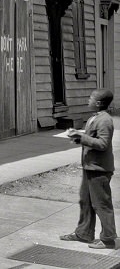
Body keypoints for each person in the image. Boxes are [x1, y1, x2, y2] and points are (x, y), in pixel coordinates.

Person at [60, 89, 116, 249]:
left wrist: (82, 137)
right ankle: (84, 234)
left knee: (101, 204)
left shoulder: (104, 120)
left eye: (91, 98)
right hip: (90, 167)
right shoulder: (95, 117)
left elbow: (103, 144)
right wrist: (79, 138)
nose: (88, 100)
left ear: (98, 103)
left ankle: (109, 239)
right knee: (85, 201)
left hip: (99, 169)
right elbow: (94, 139)